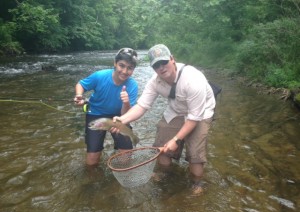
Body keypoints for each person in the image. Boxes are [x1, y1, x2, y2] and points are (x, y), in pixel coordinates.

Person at [112, 44, 216, 194]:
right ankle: (166, 174)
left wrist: (176, 139)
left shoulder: (193, 80)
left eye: (164, 62)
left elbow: (193, 118)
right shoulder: (155, 82)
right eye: (156, 65)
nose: (161, 68)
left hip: (201, 112)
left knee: (195, 153)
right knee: (161, 147)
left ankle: (197, 183)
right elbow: (142, 106)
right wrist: (122, 119)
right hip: (176, 110)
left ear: (172, 59)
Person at [74, 48, 139, 166]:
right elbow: (81, 84)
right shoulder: (100, 76)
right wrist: (79, 95)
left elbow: (126, 114)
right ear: (115, 63)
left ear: (133, 69)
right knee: (92, 159)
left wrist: (126, 103)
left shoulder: (133, 85)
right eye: (122, 65)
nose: (125, 71)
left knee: (127, 156)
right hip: (96, 114)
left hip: (119, 117)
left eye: (130, 68)